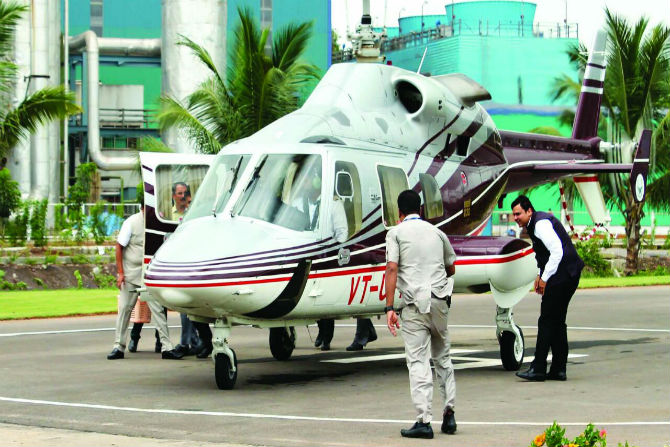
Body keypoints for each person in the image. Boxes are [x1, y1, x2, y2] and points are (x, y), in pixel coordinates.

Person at [385, 190, 457, 439]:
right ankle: (449, 413)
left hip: (414, 305)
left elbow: (392, 268)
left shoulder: (395, 233)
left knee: (418, 361)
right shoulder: (437, 233)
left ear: (399, 212)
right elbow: (451, 267)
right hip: (439, 301)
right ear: (421, 209)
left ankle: (424, 420)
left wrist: (389, 307)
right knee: (442, 357)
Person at [511, 195, 584, 382]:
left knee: (547, 321)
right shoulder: (534, 224)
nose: (515, 217)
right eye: (514, 214)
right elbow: (543, 253)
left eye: (518, 213)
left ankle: (538, 368)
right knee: (557, 322)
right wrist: (540, 274)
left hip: (563, 275)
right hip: (566, 274)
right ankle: (559, 369)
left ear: (529, 211)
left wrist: (544, 278)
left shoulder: (540, 224)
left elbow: (557, 251)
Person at [107, 197, 183, 360]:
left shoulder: (159, 222)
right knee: (125, 309)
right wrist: (121, 273)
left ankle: (166, 347)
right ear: (143, 208)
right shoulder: (131, 222)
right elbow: (119, 247)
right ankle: (118, 346)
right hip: (131, 274)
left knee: (158, 311)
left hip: (150, 274)